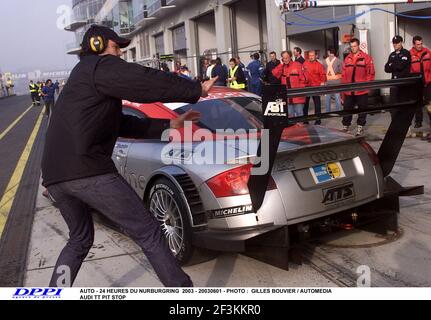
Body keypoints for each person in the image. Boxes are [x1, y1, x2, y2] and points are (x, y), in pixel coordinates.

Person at [41, 25, 218, 287]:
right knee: (148, 231)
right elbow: (143, 80)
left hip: (55, 177)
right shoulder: (99, 66)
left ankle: (55, 292)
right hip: (88, 170)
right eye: (116, 47)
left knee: (79, 239)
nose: (120, 54)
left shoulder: (84, 79)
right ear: (99, 45)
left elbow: (122, 124)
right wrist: (195, 90)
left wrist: (170, 126)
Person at [341, 38, 375, 136]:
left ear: (358, 46)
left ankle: (360, 128)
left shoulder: (366, 58)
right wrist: (343, 91)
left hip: (361, 90)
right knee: (347, 109)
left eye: (355, 46)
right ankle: (345, 126)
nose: (353, 48)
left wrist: (368, 88)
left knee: (362, 110)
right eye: (351, 47)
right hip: (349, 90)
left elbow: (371, 74)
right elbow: (343, 75)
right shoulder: (347, 59)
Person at [272, 50, 306, 117]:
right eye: (283, 58)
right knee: (290, 115)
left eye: (286, 57)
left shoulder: (297, 65)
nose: (285, 59)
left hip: (297, 96)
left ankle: (300, 127)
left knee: (299, 115)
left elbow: (303, 80)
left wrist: (300, 91)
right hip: (287, 96)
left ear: (290, 57)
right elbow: (274, 73)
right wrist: (281, 64)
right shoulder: (282, 67)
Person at [410, 35, 431, 139]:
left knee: (429, 103)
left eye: (421, 43)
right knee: (417, 103)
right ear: (414, 44)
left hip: (427, 82)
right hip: (417, 83)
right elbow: (409, 70)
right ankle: (418, 122)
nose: (420, 46)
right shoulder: (410, 54)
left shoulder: (428, 52)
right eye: (418, 44)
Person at [384, 35, 411, 117]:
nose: (395, 45)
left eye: (397, 43)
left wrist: (392, 64)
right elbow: (386, 69)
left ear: (401, 43)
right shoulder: (392, 54)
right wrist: (394, 65)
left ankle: (406, 125)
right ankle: (394, 123)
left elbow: (400, 66)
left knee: (403, 105)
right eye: (394, 43)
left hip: (403, 83)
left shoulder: (406, 53)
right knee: (393, 105)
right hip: (394, 83)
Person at [303, 50, 326, 124]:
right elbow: (301, 74)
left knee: (317, 105)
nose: (311, 57)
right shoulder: (305, 63)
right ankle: (305, 120)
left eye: (312, 55)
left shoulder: (319, 65)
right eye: (310, 55)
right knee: (305, 105)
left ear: (316, 56)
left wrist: (322, 83)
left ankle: (318, 120)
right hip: (306, 87)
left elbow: (323, 75)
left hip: (316, 87)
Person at [323, 48, 343, 113]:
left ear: (328, 52)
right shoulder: (338, 61)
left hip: (327, 82)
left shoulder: (324, 61)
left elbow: (323, 72)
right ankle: (338, 112)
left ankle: (328, 112)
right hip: (336, 82)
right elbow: (341, 71)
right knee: (337, 97)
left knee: (327, 98)